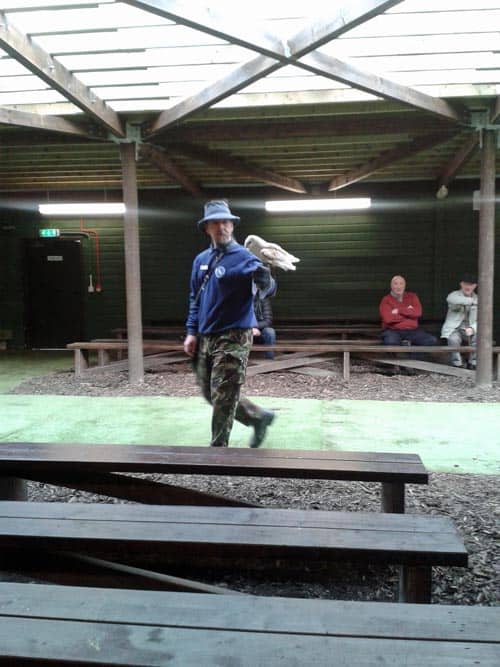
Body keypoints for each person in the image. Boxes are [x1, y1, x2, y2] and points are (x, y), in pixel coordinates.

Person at [184, 199, 276, 448]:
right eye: (215, 223)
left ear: (232, 226)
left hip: (235, 334)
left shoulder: (245, 256)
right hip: (206, 335)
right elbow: (195, 297)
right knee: (209, 392)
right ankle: (259, 418)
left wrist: (264, 277)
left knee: (223, 394)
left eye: (225, 222)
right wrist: (191, 332)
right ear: (207, 228)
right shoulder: (200, 260)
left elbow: (268, 288)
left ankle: (218, 451)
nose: (221, 227)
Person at [379, 275, 437, 346]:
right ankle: (405, 345)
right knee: (391, 342)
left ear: (404, 286)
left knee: (431, 340)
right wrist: (409, 315)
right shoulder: (386, 300)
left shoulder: (412, 296)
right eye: (396, 284)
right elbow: (388, 319)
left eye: (401, 284)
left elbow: (418, 313)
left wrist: (398, 310)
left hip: (412, 331)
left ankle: (414, 356)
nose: (399, 287)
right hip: (392, 330)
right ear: (391, 286)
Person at [441, 274, 478, 369]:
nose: (468, 286)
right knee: (453, 340)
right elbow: (451, 299)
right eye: (466, 284)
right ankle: (457, 364)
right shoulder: (454, 295)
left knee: (479, 338)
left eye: (471, 284)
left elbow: (480, 320)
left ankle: (473, 363)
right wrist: (471, 301)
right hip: (455, 328)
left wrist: (472, 328)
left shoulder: (478, 298)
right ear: (461, 284)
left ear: (475, 286)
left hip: (469, 328)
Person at [252, 292, 276, 359]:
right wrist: (249, 329)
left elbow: (268, 320)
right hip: (242, 331)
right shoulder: (238, 299)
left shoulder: (263, 299)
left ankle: (269, 360)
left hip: (259, 331)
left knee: (270, 332)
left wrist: (255, 327)